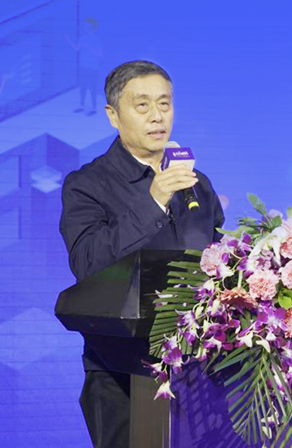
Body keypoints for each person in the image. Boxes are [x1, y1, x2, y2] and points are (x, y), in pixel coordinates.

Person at [59, 60, 225, 448]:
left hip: (200, 368)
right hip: (122, 371)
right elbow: (87, 264)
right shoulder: (87, 184)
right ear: (113, 116)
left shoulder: (197, 185)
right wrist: (153, 201)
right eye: (143, 105)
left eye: (164, 104)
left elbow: (219, 262)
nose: (157, 116)